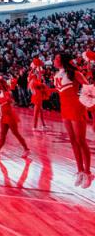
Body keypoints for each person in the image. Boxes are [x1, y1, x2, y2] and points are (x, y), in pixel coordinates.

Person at [53, 53, 92, 188]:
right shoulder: (58, 75)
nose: (54, 60)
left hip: (76, 108)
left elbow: (89, 88)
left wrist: (85, 102)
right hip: (65, 109)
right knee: (73, 141)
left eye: (56, 59)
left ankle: (88, 172)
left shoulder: (75, 73)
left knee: (81, 141)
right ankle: (80, 171)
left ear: (63, 61)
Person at [0, 77, 30, 159]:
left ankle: (26, 149)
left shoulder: (7, 92)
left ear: (2, 84)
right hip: (4, 116)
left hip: (9, 115)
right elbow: (0, 102)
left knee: (16, 133)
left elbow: (10, 100)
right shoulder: (0, 93)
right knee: (2, 135)